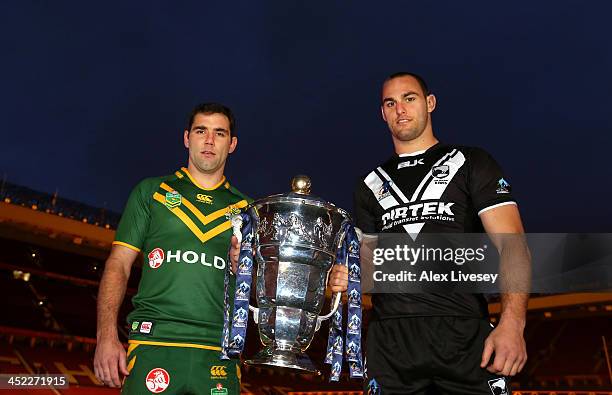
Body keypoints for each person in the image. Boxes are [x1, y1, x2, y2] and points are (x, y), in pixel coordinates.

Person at [354, 72, 530, 394]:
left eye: (410, 98)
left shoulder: (471, 161)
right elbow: (368, 270)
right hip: (392, 347)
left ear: (430, 103)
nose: (400, 110)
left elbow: (513, 245)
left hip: (462, 338)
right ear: (382, 113)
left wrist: (513, 323)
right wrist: (342, 273)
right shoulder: (369, 183)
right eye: (390, 103)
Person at [94, 103, 250, 394]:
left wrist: (244, 269)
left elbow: (258, 293)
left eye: (219, 133)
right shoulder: (152, 191)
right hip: (153, 343)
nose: (209, 140)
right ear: (186, 138)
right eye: (201, 131)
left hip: (220, 351)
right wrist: (106, 336)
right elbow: (119, 264)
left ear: (232, 144)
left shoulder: (248, 211)